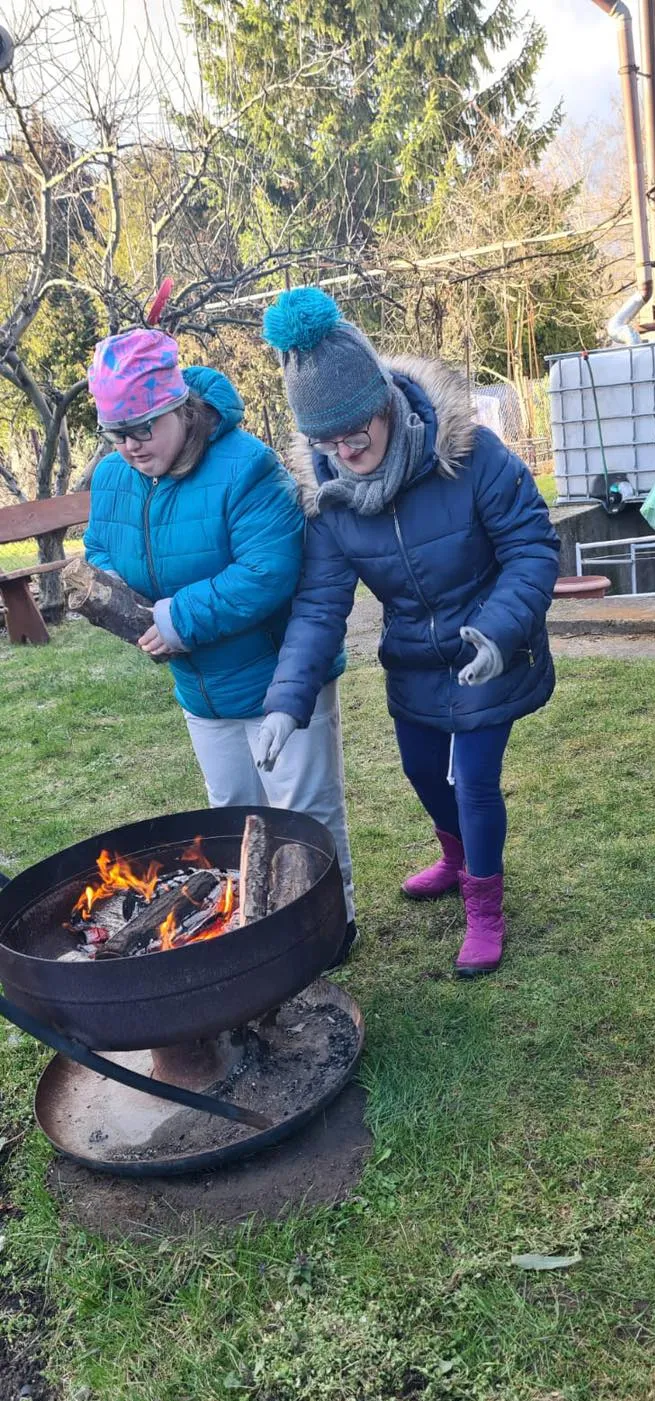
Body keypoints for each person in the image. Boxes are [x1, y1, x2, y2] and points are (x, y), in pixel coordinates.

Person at [257, 287, 560, 976]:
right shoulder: (332, 501)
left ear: (384, 402)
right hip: (416, 661)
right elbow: (318, 606)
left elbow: (533, 546)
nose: (345, 449)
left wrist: (498, 630)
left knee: (475, 779)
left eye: (356, 429)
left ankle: (484, 907)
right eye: (326, 440)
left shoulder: (471, 454)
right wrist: (285, 702)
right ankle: (455, 859)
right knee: (423, 770)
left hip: (492, 646)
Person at [83, 325, 356, 961]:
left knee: (304, 815)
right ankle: (258, 943)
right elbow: (99, 550)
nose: (129, 445)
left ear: (179, 406)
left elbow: (269, 571)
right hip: (202, 688)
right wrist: (117, 593)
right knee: (233, 817)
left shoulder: (247, 465)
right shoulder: (113, 478)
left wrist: (179, 618)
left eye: (144, 426)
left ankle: (329, 932)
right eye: (115, 431)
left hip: (280, 676)